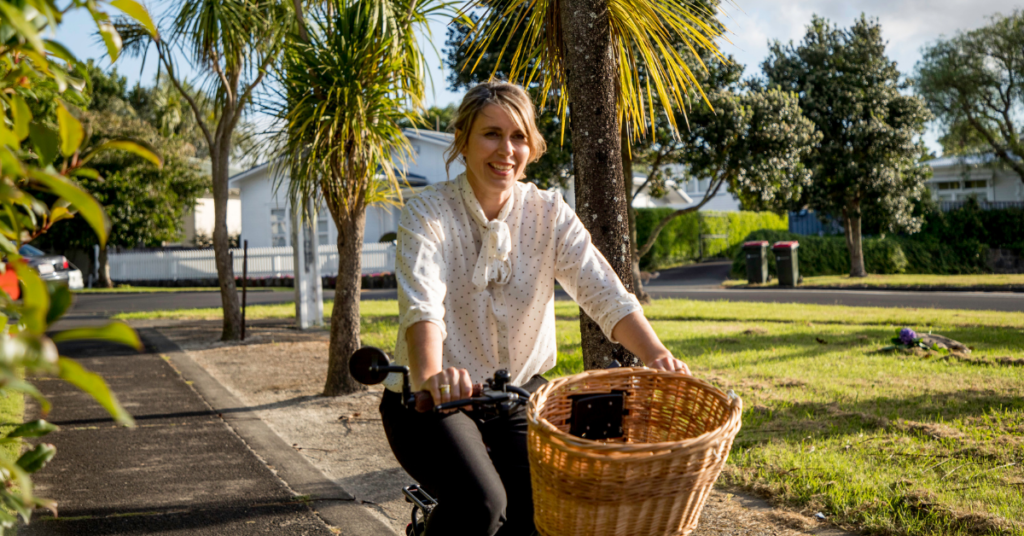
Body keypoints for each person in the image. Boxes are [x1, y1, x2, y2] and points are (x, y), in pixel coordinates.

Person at [379, 81, 689, 536]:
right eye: (491, 134)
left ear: (532, 147)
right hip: (432, 402)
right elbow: (422, 304)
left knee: (544, 516)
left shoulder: (549, 213)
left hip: (516, 396)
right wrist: (431, 375)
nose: (506, 149)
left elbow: (603, 292)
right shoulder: (429, 211)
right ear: (463, 140)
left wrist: (656, 355)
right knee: (481, 504)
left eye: (519, 136)